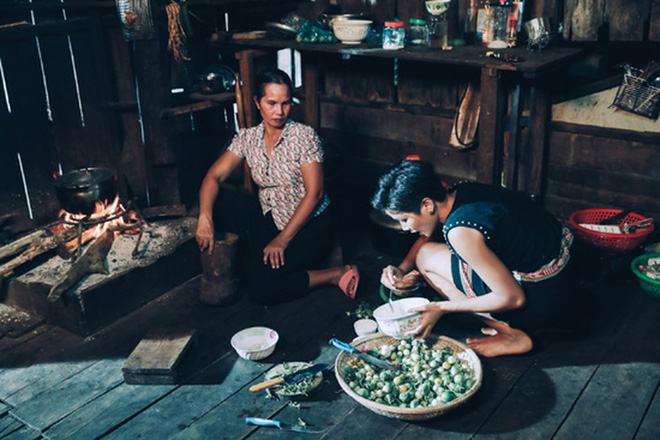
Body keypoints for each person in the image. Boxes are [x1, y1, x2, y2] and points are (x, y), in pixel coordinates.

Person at [372, 159, 580, 357]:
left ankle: (512, 335)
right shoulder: (461, 191)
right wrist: (402, 268)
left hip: (547, 303)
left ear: (427, 205)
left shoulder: (460, 231)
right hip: (570, 274)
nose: (405, 228)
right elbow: (428, 238)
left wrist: (440, 309)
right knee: (426, 253)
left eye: (405, 219)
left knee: (426, 259)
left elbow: (513, 298)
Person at [196, 68, 359, 304]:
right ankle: (251, 264)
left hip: (307, 225)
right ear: (257, 102)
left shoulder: (303, 137)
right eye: (271, 103)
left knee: (261, 289)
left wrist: (283, 239)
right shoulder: (248, 138)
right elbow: (213, 177)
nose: (279, 112)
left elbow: (315, 194)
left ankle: (334, 274)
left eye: (285, 103)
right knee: (219, 200)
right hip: (270, 217)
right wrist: (205, 218)